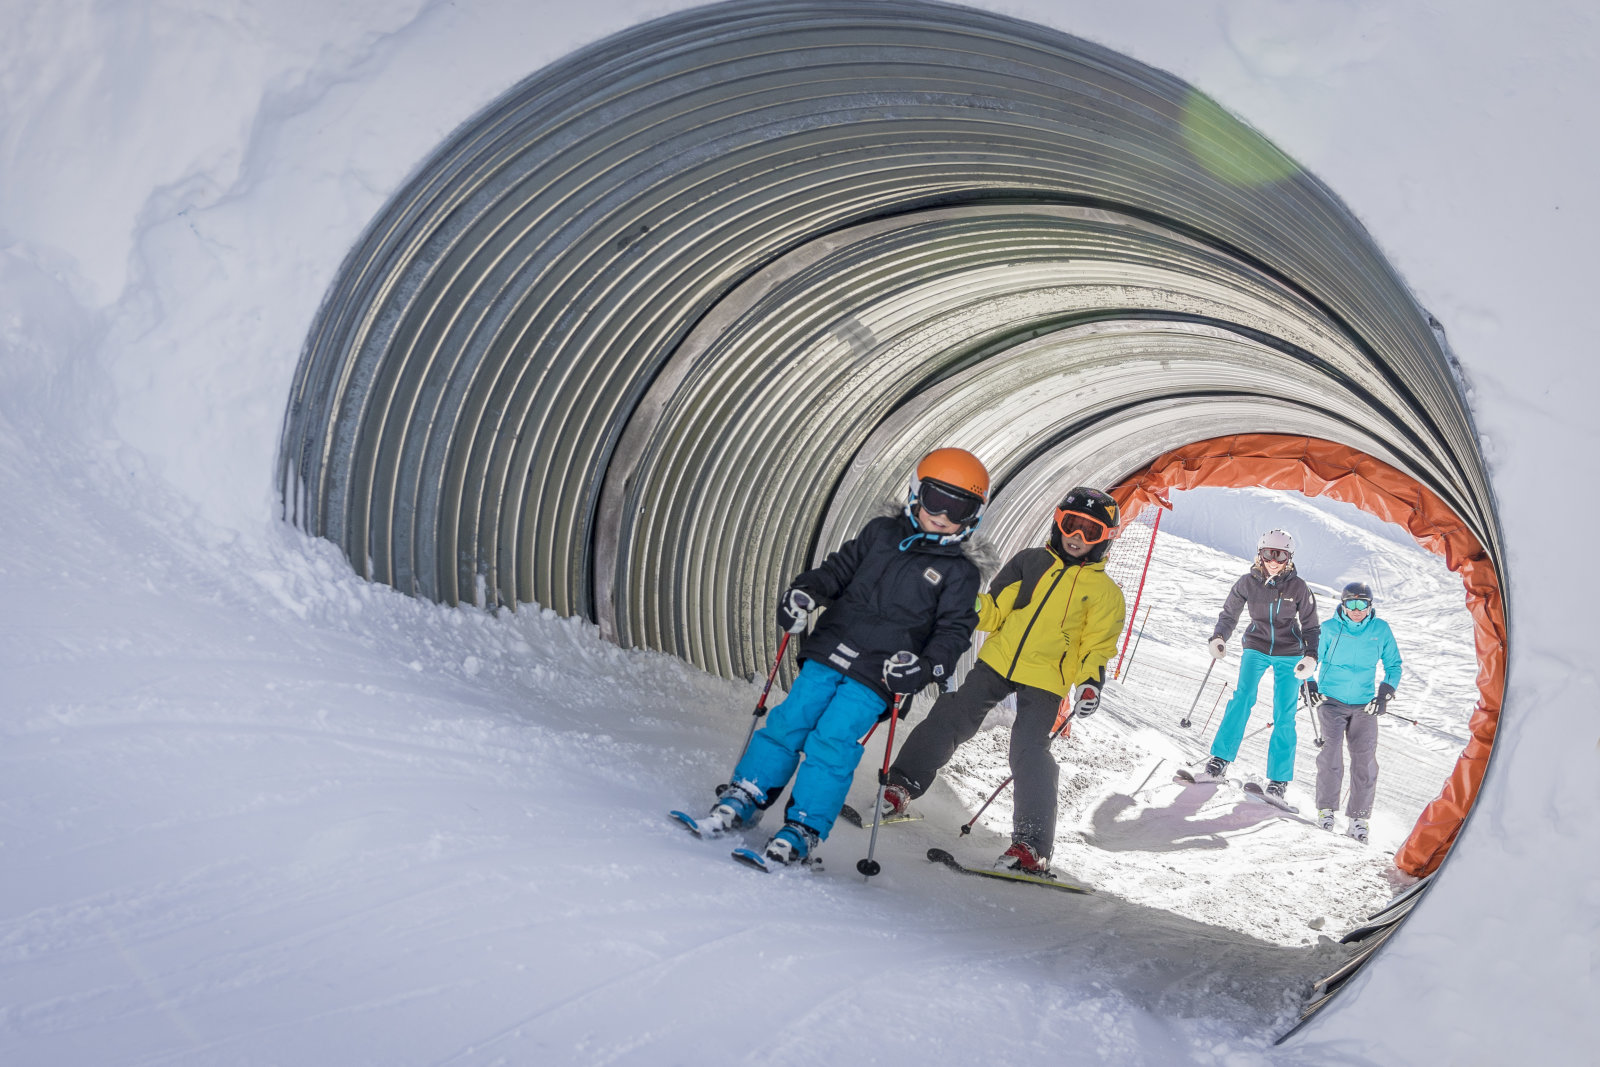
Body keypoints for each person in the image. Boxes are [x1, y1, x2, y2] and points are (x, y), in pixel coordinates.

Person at [694, 447, 988, 867]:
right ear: (915, 493)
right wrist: (806, 592)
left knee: (832, 740)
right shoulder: (881, 534)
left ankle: (803, 828)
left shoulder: (960, 572)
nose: (942, 515)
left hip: (879, 674)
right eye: (936, 499)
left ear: (974, 515)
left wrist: (922, 670)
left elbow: (953, 633)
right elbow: (837, 571)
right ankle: (746, 792)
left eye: (959, 507)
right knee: (789, 720)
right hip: (831, 649)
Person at [881, 488, 1126, 875]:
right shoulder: (1030, 562)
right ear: (1058, 522)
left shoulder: (1106, 594)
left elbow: (1096, 648)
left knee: (1029, 751)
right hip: (998, 661)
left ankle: (1032, 845)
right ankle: (900, 785)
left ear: (1104, 539)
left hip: (1047, 680)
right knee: (952, 716)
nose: (1077, 536)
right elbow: (994, 612)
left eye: (1090, 531)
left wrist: (1090, 684)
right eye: (1071, 525)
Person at [1196, 529, 1320, 807]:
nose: (1273, 561)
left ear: (1289, 558)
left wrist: (1311, 656)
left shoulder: (1299, 587)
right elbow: (1229, 613)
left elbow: (1311, 625)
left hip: (1290, 652)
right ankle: (1219, 760)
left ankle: (1278, 781)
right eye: (1268, 554)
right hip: (1256, 646)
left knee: (1284, 713)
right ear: (1260, 554)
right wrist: (1218, 637)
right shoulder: (1247, 583)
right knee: (1242, 698)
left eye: (1280, 555)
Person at [1303, 581, 1403, 844]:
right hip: (1331, 701)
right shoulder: (1329, 629)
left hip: (1365, 704)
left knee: (1365, 760)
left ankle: (1358, 819)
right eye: (1351, 604)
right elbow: (1309, 659)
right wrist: (1309, 684)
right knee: (1330, 755)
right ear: (1342, 604)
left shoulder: (1379, 630)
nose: (1356, 610)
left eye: (1362, 604)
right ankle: (1326, 811)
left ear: (1370, 606)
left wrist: (1385, 693)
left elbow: (1394, 664)